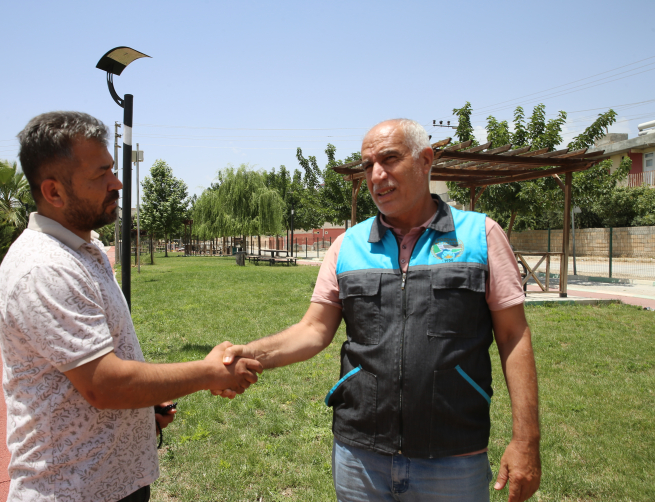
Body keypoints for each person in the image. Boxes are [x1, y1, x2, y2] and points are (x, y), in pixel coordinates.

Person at [218, 119, 541, 502]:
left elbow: (513, 335)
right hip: (360, 455)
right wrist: (248, 355)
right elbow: (313, 330)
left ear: (425, 160)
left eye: (389, 159)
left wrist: (526, 440)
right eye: (368, 164)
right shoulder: (347, 246)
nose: (376, 175)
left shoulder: (480, 236)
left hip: (453, 455)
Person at [0, 111, 262, 502]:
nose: (117, 183)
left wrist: (143, 407)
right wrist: (210, 372)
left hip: (113, 484)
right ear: (54, 192)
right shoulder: (45, 267)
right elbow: (105, 384)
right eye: (100, 174)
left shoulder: (85, 249)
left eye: (113, 170)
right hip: (72, 491)